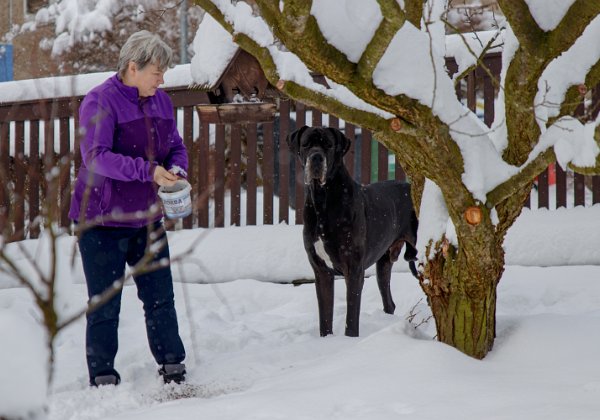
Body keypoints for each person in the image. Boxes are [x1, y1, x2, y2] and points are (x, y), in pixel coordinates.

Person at [69, 30, 188, 387]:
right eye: (157, 72)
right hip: (102, 220)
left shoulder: (162, 103)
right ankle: (103, 373)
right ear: (133, 67)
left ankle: (172, 364)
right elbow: (96, 158)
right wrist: (148, 171)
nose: (162, 80)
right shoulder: (100, 101)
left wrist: (176, 170)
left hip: (147, 218)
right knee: (105, 303)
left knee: (160, 296)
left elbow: (175, 148)